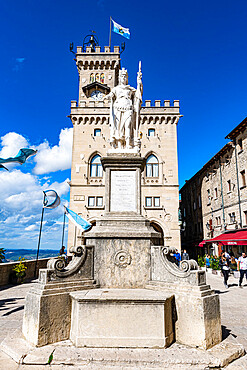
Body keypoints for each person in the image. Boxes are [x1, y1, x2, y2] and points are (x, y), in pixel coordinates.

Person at [104, 66, 143, 150]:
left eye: (125, 76)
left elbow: (138, 95)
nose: (123, 78)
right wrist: (107, 97)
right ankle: (119, 145)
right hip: (118, 108)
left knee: (128, 125)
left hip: (128, 108)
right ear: (119, 78)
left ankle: (128, 144)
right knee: (118, 128)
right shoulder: (116, 89)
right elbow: (111, 94)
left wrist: (139, 84)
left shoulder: (130, 89)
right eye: (122, 76)